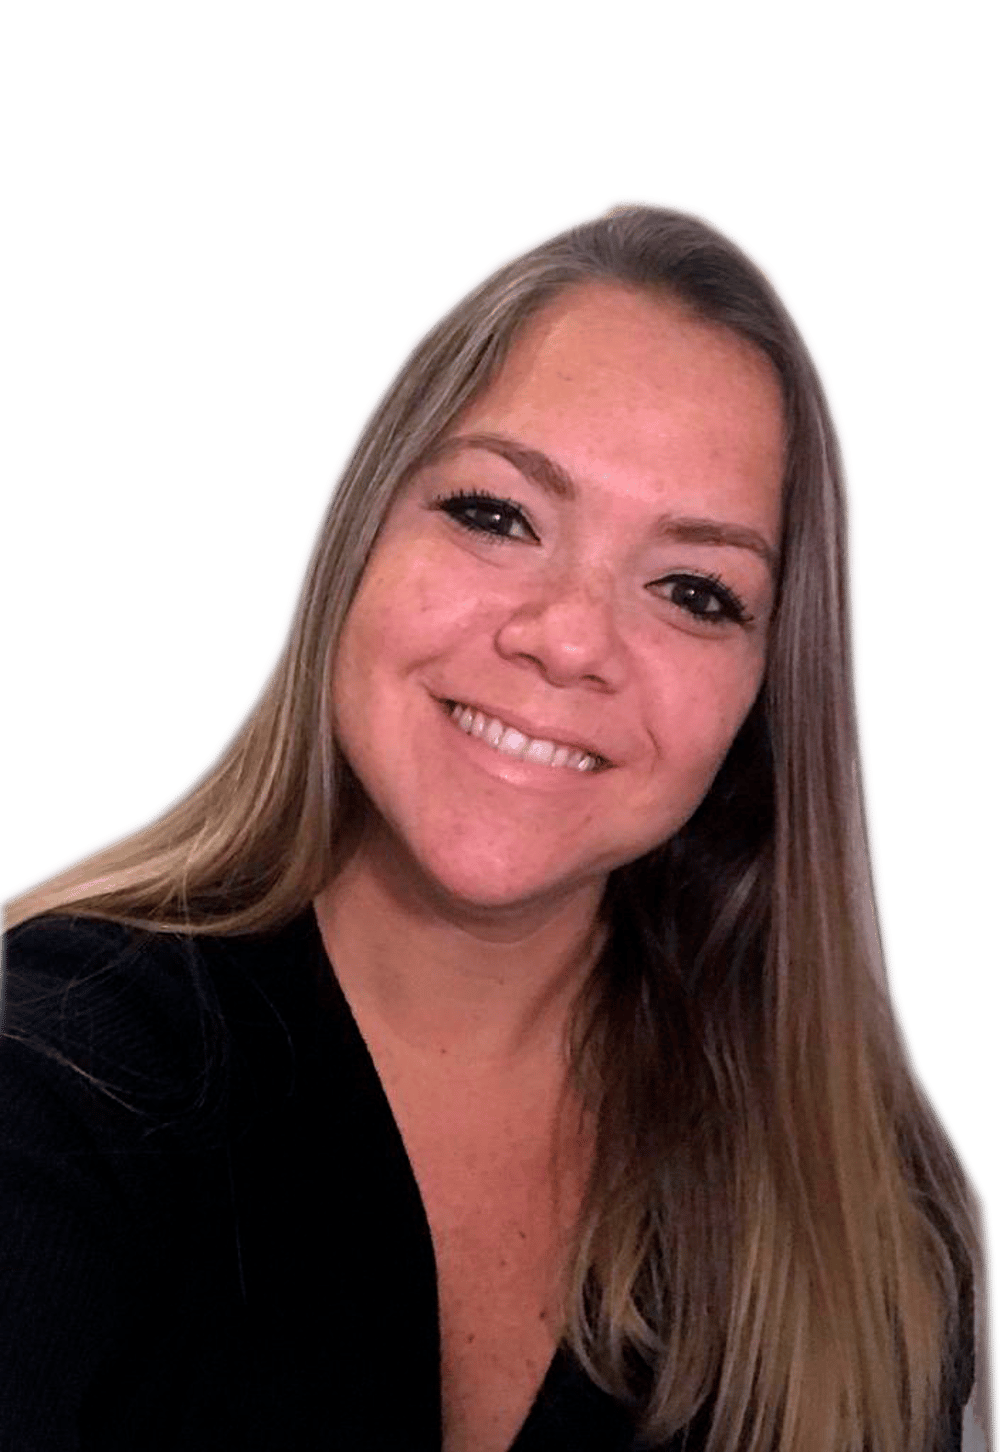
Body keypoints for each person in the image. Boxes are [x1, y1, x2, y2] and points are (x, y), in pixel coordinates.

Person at [0, 198, 991, 1452]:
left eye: (694, 590)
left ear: (763, 698)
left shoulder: (863, 1218)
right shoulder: (50, 1076)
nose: (568, 638)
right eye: (495, 514)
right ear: (359, 535)